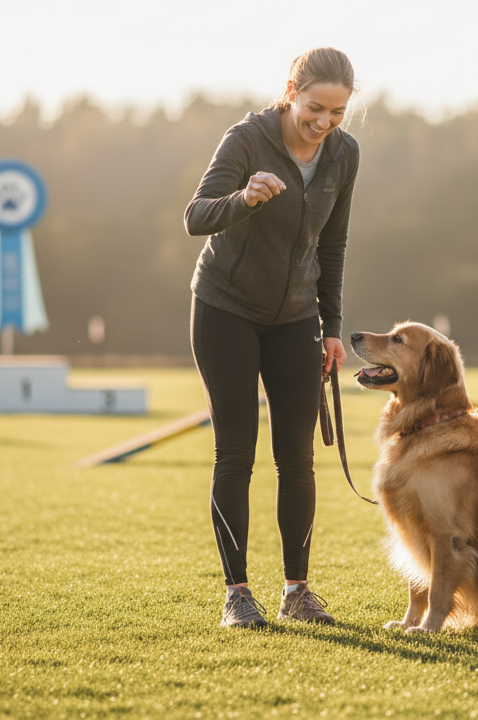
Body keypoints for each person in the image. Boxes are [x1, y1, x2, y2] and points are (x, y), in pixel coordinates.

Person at [183, 48, 359, 628]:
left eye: (337, 111)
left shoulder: (343, 154)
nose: (325, 122)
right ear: (291, 90)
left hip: (296, 320)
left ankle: (297, 592)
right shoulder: (246, 140)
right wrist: (244, 199)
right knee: (235, 455)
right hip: (225, 310)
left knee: (298, 459)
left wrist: (331, 329)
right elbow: (196, 215)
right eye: (315, 107)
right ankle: (237, 594)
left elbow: (332, 246)